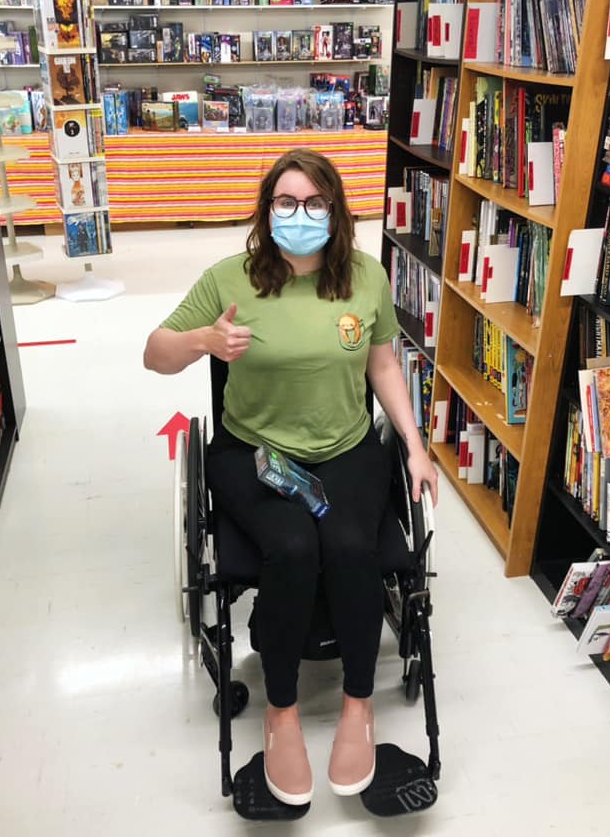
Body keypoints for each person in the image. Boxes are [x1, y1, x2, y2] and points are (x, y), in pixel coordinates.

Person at [143, 148, 438, 806]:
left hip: (346, 448)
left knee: (352, 546)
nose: (299, 215)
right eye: (285, 202)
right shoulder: (230, 279)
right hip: (256, 455)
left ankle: (359, 706)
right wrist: (203, 344)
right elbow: (153, 354)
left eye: (314, 203)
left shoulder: (365, 277)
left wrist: (416, 448)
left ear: (334, 211)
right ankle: (281, 713)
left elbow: (384, 365)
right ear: (266, 209)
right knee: (295, 546)